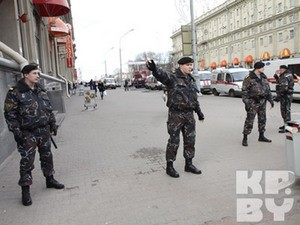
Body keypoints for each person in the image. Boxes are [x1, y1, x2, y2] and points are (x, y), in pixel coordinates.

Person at [4, 63, 64, 206]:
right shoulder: (15, 91)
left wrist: (52, 124)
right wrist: (17, 132)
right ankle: (25, 191)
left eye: (38, 73)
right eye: (34, 73)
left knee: (47, 156)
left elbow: (48, 108)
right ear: (25, 74)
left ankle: (50, 179)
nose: (37, 76)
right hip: (27, 133)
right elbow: (10, 115)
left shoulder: (40, 90)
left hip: (43, 131)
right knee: (27, 162)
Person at [146, 57, 204, 178]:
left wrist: (199, 112)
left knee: (190, 140)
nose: (190, 67)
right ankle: (169, 166)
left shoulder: (191, 79)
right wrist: (155, 69)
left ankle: (189, 164)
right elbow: (162, 76)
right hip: (176, 115)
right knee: (174, 141)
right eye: (188, 65)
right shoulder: (172, 78)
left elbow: (194, 98)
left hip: (189, 115)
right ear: (181, 65)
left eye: (191, 65)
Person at [242, 61, 274, 147]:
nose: (264, 68)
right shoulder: (248, 77)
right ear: (258, 68)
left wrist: (271, 100)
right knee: (250, 120)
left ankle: (261, 136)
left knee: (262, 119)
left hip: (263, 102)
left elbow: (268, 89)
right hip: (253, 102)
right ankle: (245, 138)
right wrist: (247, 103)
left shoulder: (263, 76)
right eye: (262, 67)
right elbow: (244, 92)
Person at [273, 65, 294, 133]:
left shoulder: (285, 76)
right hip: (286, 95)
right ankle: (286, 125)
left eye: (280, 69)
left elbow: (284, 87)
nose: (280, 70)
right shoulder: (285, 75)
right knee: (285, 111)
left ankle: (288, 128)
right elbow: (280, 82)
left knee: (286, 111)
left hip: (285, 96)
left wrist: (278, 96)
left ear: (283, 69)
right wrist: (276, 76)